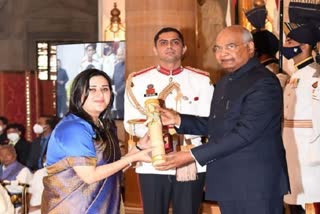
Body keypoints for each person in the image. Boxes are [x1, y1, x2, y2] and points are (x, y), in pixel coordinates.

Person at [156, 25, 289, 214]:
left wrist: (191, 155)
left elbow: (245, 133)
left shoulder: (264, 82)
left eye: (231, 46)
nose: (222, 53)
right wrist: (178, 120)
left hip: (256, 184)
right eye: (217, 48)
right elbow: (218, 125)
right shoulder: (226, 82)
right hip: (229, 181)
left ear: (250, 48)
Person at [124, 27, 214, 214]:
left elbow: (211, 122)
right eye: (163, 43)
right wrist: (156, 138)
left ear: (184, 49)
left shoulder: (201, 80)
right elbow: (130, 121)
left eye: (175, 42)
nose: (169, 46)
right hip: (153, 160)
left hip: (189, 158)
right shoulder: (138, 81)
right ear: (155, 49)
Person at [41, 68, 151, 213]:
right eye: (92, 90)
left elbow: (111, 168)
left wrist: (139, 148)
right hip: (74, 208)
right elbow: (90, 176)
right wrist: (136, 156)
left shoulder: (103, 125)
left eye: (105, 89)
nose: (100, 94)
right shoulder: (73, 128)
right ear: (78, 94)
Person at [281, 24, 320, 214]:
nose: (285, 45)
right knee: (295, 198)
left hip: (309, 150)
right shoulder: (295, 75)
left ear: (304, 47)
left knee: (311, 198)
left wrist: (316, 151)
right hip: (293, 147)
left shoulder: (316, 76)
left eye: (290, 42)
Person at [0, 145, 33, 210]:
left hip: (15, 205)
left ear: (15, 155)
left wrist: (3, 183)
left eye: (8, 154)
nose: (4, 157)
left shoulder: (23, 170)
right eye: (1, 155)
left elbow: (22, 189)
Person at [112, 46, 125, 119]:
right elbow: (113, 80)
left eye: (121, 55)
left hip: (125, 97)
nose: (119, 57)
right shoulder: (116, 66)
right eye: (118, 55)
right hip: (117, 99)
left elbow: (128, 82)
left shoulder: (128, 65)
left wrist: (118, 92)